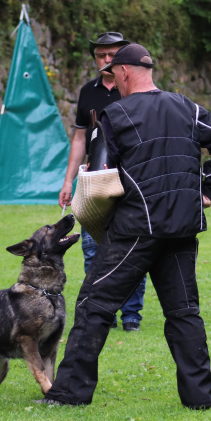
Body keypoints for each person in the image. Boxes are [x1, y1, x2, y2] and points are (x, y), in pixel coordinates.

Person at [39, 43, 211, 409]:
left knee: (94, 304)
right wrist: (207, 190)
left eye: (114, 75)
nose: (113, 83)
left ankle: (69, 394)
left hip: (135, 229)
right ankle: (199, 399)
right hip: (182, 226)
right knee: (183, 312)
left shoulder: (115, 115)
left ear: (125, 72)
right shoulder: (188, 107)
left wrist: (95, 217)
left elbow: (99, 178)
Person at [59, 31, 147, 332]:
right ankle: (102, 312)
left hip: (130, 177)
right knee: (92, 248)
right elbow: (80, 138)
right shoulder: (88, 91)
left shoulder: (137, 89)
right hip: (94, 180)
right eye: (101, 55)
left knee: (132, 246)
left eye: (112, 54)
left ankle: (131, 315)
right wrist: (68, 181)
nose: (106, 60)